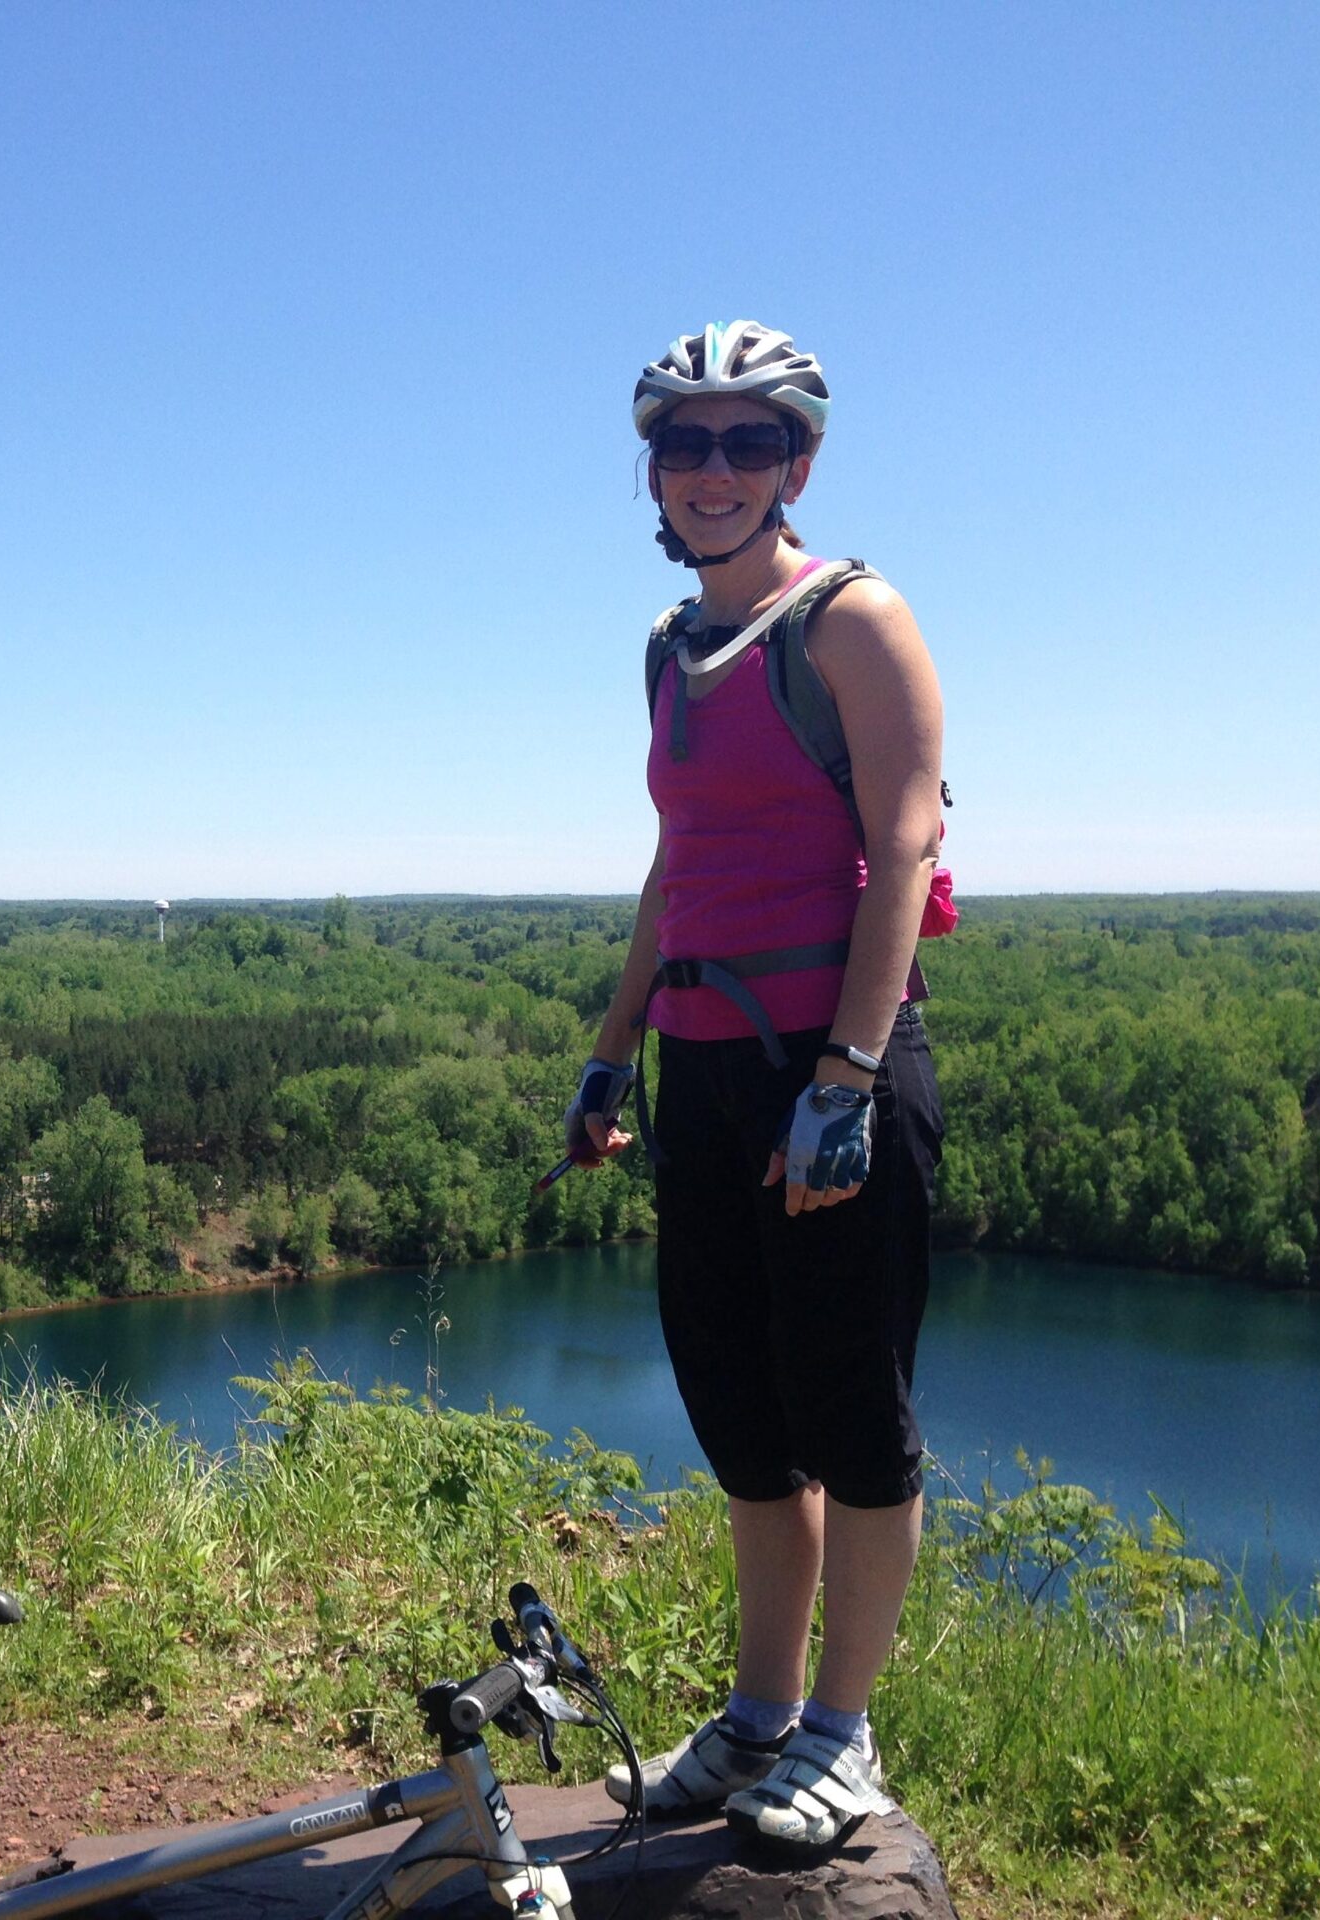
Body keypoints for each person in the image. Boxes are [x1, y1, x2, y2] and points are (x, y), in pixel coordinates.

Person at [571, 321, 949, 1856]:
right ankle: (756, 1720)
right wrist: (613, 1048)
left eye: (748, 443)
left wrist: (848, 1076)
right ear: (656, 472)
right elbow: (678, 872)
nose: (714, 471)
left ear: (795, 462)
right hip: (709, 1070)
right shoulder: (672, 652)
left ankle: (843, 1738)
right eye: (687, 444)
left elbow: (904, 846)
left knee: (853, 1413)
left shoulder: (853, 622)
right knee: (739, 1411)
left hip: (828, 1067)